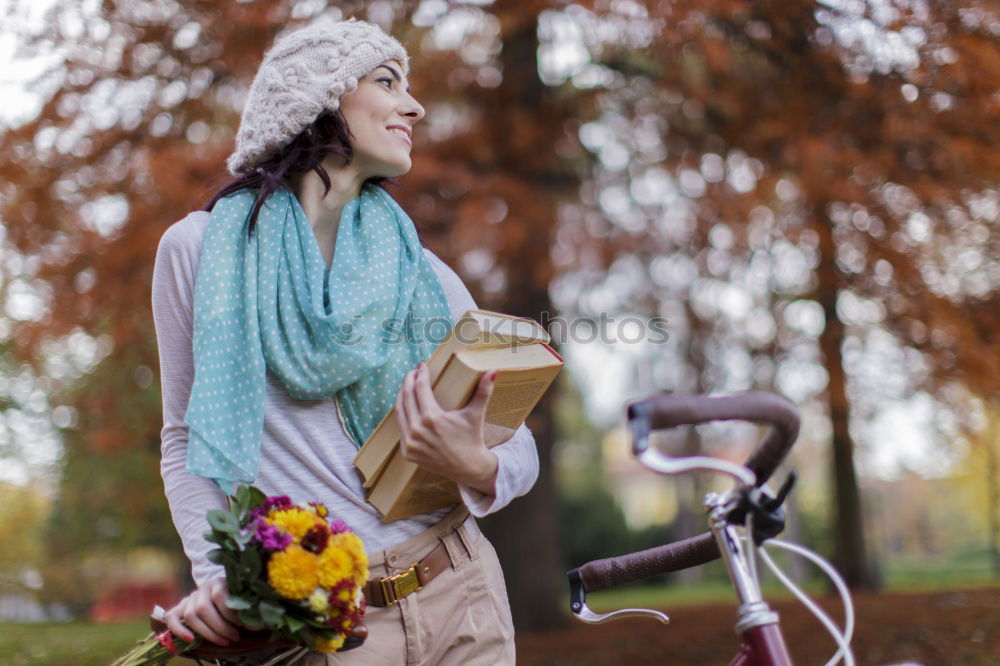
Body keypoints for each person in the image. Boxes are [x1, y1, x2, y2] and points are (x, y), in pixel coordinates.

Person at [150, 16, 538, 665]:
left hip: (461, 593)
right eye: (387, 81)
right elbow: (185, 439)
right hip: (326, 624)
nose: (413, 105)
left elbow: (515, 440)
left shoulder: (422, 272)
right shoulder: (201, 252)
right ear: (319, 98)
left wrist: (475, 464)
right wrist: (221, 581)